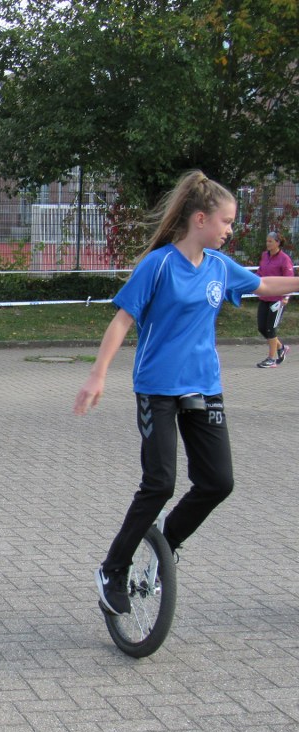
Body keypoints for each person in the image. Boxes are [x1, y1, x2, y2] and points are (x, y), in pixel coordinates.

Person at [74, 171, 299, 617]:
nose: (231, 229)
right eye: (226, 221)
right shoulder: (158, 265)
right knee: (160, 482)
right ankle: (113, 570)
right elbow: (122, 320)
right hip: (157, 388)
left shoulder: (219, 267)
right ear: (201, 219)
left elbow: (265, 287)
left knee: (218, 482)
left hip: (204, 387)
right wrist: (97, 375)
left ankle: (166, 543)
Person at [254, 231, 294, 368]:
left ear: (277, 243)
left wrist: (286, 297)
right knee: (262, 328)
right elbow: (260, 272)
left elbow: (289, 279)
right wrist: (251, 281)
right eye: (267, 241)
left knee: (271, 329)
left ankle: (272, 359)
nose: (268, 243)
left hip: (278, 299)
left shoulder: (284, 259)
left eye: (270, 241)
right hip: (265, 296)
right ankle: (281, 347)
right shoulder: (265, 255)